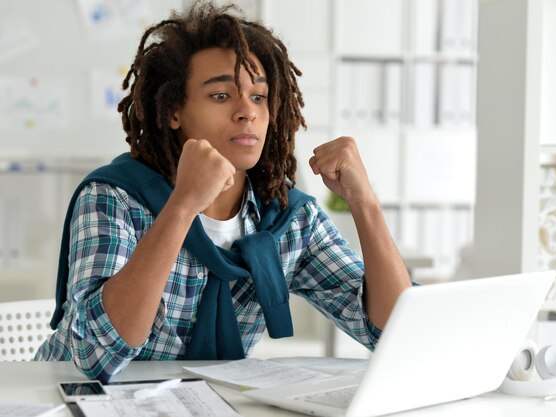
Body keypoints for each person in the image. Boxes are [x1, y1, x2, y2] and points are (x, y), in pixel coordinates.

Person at [35, 1, 412, 382]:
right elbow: (92, 357)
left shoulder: (286, 216)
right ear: (173, 112)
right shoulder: (113, 197)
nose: (246, 112)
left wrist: (366, 204)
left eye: (259, 97)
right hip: (68, 400)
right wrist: (182, 205)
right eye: (221, 96)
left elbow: (394, 334)